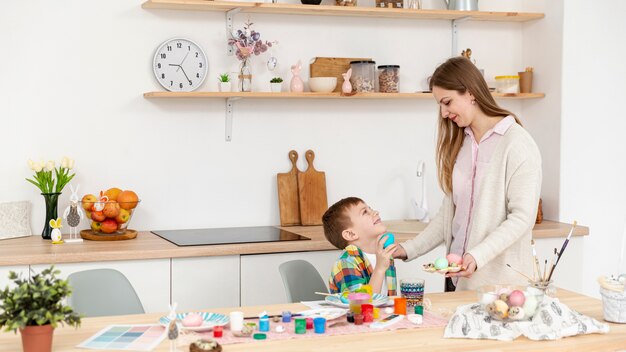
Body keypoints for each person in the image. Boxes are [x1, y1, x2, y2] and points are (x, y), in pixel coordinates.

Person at [393, 57, 542, 292]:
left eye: (447, 102)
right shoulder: (461, 143)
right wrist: (408, 249)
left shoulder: (517, 143)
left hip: (501, 288)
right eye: (440, 105)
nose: (443, 113)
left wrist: (477, 255)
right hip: (457, 280)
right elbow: (450, 213)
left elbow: (522, 218)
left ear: (470, 93)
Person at [322, 197, 398, 295]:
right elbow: (360, 306)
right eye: (365, 212)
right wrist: (379, 269)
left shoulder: (384, 254)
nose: (375, 212)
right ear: (351, 234)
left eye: (370, 208)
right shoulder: (346, 262)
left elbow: (388, 300)